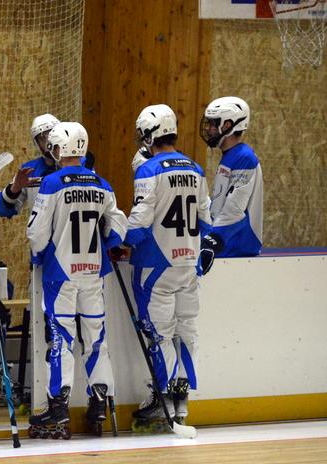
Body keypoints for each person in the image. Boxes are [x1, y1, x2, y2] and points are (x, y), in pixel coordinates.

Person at [26, 122, 128, 439]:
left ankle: (58, 410)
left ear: (58, 150)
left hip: (60, 273)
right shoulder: (102, 183)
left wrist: (39, 254)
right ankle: (99, 402)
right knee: (96, 339)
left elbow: (36, 233)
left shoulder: (52, 183)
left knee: (61, 339)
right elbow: (117, 226)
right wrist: (109, 244)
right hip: (93, 273)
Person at [121, 104, 212, 430]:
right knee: (186, 331)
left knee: (159, 333)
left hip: (155, 265)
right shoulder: (196, 168)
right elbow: (206, 219)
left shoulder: (148, 170)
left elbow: (140, 225)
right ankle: (183, 404)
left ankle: (165, 402)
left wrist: (116, 237)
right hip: (187, 262)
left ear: (148, 134)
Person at [199, 96, 263, 258]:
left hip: (237, 246)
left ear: (227, 125)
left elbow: (234, 209)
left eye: (213, 124)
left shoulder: (244, 157)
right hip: (227, 244)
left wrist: (213, 238)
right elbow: (220, 202)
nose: (208, 129)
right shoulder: (231, 156)